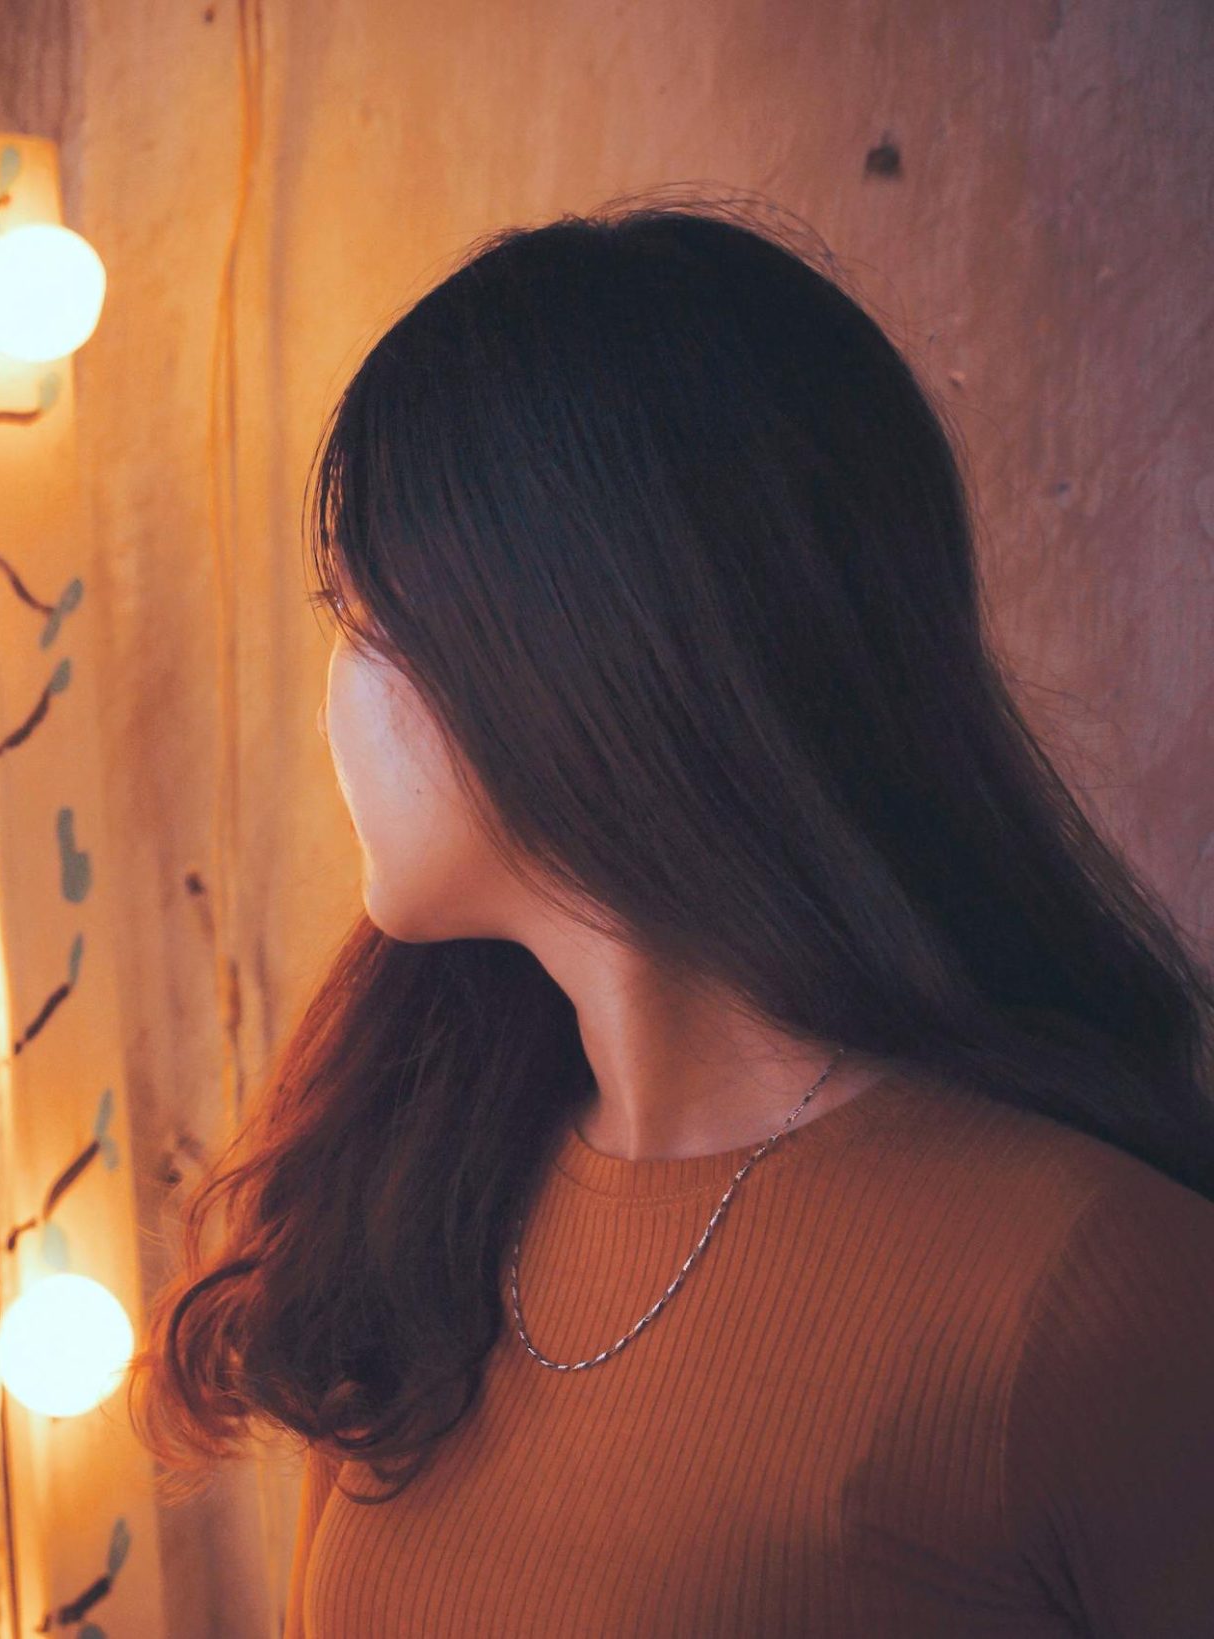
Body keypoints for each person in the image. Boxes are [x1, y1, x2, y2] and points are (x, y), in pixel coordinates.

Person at [129, 194, 1214, 1636]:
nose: (337, 700)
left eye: (363, 621)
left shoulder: (1089, 1296)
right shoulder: (417, 1191)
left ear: (573, 652)